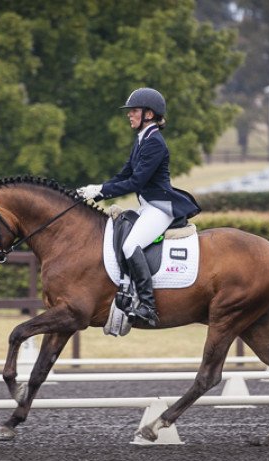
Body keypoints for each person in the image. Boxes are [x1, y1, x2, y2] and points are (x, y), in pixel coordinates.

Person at [77, 87, 200, 326]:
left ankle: (147, 305)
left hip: (160, 207)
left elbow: (136, 182)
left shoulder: (155, 143)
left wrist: (102, 191)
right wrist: (94, 189)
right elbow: (123, 174)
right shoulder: (142, 140)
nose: (129, 115)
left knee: (132, 244)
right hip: (148, 206)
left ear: (149, 114)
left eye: (134, 111)